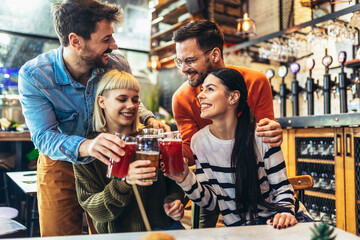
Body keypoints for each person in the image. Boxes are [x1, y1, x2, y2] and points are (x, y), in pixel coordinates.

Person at [18, 0, 168, 236]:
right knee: (60, 235)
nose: (114, 45)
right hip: (60, 163)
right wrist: (87, 145)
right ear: (75, 41)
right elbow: (43, 137)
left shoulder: (116, 64)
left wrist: (149, 120)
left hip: (107, 157)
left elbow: (127, 102)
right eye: (106, 39)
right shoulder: (35, 75)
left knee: (108, 231)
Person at [172, 20, 283, 228]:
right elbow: (190, 150)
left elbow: (265, 138)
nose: (184, 70)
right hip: (214, 181)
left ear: (214, 55)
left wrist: (274, 132)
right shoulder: (181, 98)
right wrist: (168, 153)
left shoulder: (255, 82)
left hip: (256, 181)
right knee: (203, 227)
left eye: (190, 60)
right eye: (180, 62)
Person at [167, 68, 312, 228]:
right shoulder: (199, 142)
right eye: (202, 90)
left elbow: (282, 188)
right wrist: (184, 178)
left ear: (233, 97)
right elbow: (210, 202)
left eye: (210, 89)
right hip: (241, 230)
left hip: (280, 220)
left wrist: (285, 214)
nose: (200, 95)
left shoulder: (262, 135)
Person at [73, 69, 186, 233]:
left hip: (165, 228)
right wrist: (124, 180)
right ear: (102, 101)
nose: (131, 106)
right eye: (122, 99)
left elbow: (173, 183)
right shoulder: (88, 148)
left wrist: (174, 201)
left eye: (135, 100)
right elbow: (94, 209)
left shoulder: (152, 136)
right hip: (119, 235)